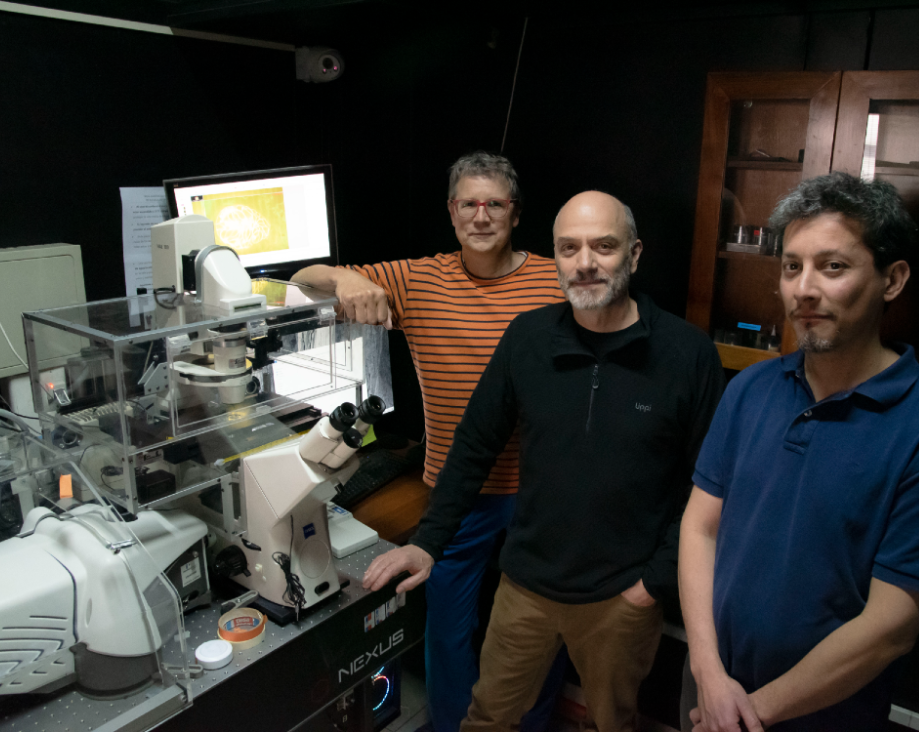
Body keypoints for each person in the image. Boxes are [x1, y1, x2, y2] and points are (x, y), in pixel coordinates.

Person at [364, 191, 725, 732]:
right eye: (568, 248)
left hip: (622, 597)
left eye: (604, 246)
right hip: (526, 587)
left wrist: (652, 585)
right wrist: (427, 541)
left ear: (634, 254)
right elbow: (474, 446)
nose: (585, 263)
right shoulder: (529, 338)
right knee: (487, 717)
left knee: (611, 723)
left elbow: (709, 486)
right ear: (554, 256)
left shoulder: (687, 354)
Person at [678, 172, 919, 732]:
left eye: (832, 267)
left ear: (892, 279)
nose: (804, 288)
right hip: (712, 686)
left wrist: (745, 716)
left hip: (825, 716)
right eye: (792, 266)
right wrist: (709, 674)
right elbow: (700, 528)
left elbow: (892, 625)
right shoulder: (749, 390)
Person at [291, 152, 566, 732]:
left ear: (515, 213)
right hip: (454, 495)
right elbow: (299, 281)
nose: (482, 215)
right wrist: (344, 277)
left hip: (539, 488)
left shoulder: (554, 278)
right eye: (469, 203)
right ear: (451, 211)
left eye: (495, 203)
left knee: (542, 630)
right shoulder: (418, 278)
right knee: (447, 631)